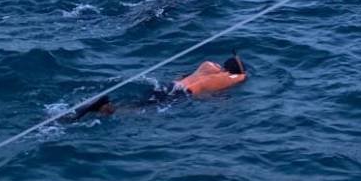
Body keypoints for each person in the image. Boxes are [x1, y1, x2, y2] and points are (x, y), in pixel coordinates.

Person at [65, 54, 247, 122]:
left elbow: (182, 76)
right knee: (141, 110)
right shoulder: (228, 78)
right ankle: (106, 110)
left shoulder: (207, 65)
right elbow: (239, 77)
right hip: (183, 96)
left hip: (170, 86)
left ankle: (100, 106)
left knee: (140, 102)